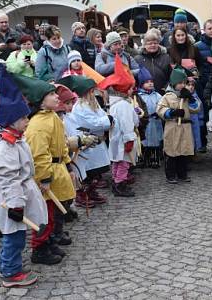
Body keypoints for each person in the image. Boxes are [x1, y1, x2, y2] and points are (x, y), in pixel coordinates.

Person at [0, 64, 43, 288]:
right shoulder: (6, 148)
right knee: (13, 235)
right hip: (11, 198)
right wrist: (15, 204)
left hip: (19, 194)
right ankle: (9, 272)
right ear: (12, 121)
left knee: (19, 234)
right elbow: (9, 178)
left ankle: (13, 267)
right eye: (23, 118)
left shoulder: (17, 141)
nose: (28, 121)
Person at [12, 73, 74, 265]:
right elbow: (39, 155)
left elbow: (61, 143)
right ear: (41, 101)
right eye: (52, 94)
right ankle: (39, 248)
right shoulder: (38, 124)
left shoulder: (53, 117)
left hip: (57, 168)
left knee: (55, 211)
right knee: (43, 213)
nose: (57, 97)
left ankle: (50, 241)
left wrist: (68, 162)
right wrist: (45, 178)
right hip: (47, 173)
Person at [59, 75, 109, 208]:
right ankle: (81, 195)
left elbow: (84, 124)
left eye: (70, 103)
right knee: (82, 173)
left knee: (95, 172)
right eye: (67, 103)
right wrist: (84, 136)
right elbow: (84, 124)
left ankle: (91, 192)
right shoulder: (78, 109)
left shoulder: (90, 105)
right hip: (79, 146)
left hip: (89, 141)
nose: (70, 106)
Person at [100, 54, 139, 196]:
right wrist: (129, 139)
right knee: (123, 163)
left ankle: (116, 180)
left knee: (116, 161)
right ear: (124, 90)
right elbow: (128, 123)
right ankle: (120, 184)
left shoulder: (115, 103)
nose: (132, 91)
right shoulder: (123, 105)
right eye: (130, 89)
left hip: (116, 139)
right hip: (123, 139)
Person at [157, 67, 198, 183]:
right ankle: (170, 174)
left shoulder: (186, 96)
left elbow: (196, 109)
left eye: (184, 83)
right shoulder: (168, 96)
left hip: (185, 127)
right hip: (173, 126)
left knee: (183, 151)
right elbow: (160, 109)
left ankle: (182, 174)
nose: (182, 85)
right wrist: (172, 112)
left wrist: (191, 99)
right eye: (180, 83)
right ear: (174, 83)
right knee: (172, 150)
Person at [136, 67, 163, 168]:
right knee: (144, 140)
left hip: (155, 121)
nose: (150, 83)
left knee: (155, 140)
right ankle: (143, 158)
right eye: (147, 82)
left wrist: (159, 113)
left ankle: (154, 158)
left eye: (151, 81)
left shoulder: (157, 95)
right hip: (144, 122)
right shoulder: (139, 96)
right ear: (141, 84)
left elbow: (162, 105)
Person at [135, 29, 172, 93]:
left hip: (163, 94)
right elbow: (135, 78)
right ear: (144, 45)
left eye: (155, 43)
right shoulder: (137, 59)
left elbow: (171, 77)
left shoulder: (166, 58)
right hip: (144, 95)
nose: (153, 45)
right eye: (150, 43)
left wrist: (166, 88)